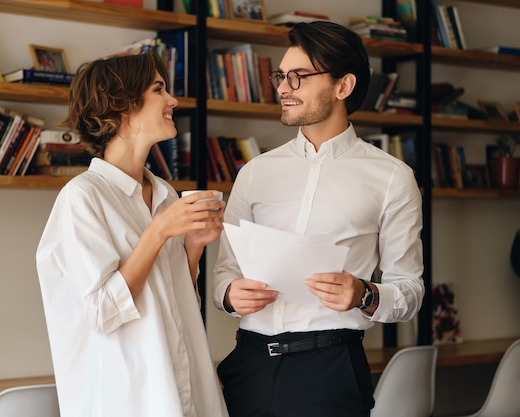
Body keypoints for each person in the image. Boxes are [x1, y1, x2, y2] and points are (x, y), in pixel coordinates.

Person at [213, 21, 424, 417]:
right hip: (249, 367)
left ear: (343, 86)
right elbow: (224, 273)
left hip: (330, 368)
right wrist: (229, 295)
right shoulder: (254, 172)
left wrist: (365, 294)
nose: (282, 88)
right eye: (280, 76)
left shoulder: (393, 177)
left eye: (298, 77)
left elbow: (410, 289)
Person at [36, 53, 229, 417]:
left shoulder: (164, 194)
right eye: (159, 89)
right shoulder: (82, 198)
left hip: (184, 384)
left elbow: (175, 301)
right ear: (120, 104)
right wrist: (157, 233)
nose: (172, 100)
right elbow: (103, 312)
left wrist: (192, 249)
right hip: (129, 397)